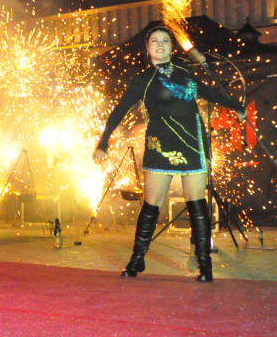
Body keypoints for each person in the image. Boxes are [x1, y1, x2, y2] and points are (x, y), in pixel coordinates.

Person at [93, 24, 245, 282]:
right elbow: (118, 111)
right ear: (148, 47)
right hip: (160, 145)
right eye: (154, 41)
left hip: (191, 143)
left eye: (165, 41)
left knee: (197, 203)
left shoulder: (186, 72)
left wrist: (235, 105)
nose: (160, 45)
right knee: (151, 206)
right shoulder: (143, 80)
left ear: (172, 48)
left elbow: (208, 92)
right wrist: (103, 142)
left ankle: (204, 264)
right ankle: (137, 259)